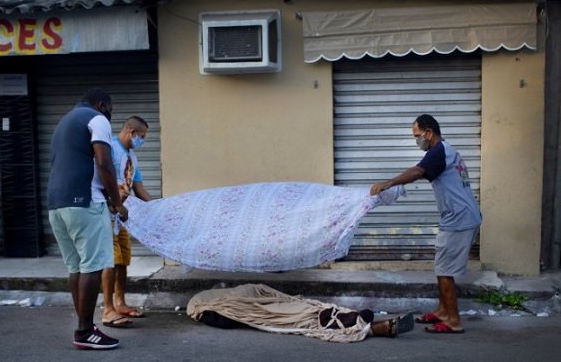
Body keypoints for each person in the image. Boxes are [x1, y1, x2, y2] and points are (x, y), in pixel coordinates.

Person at [370, 114, 481, 334]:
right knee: (441, 267)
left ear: (429, 133)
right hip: (459, 216)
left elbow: (418, 171)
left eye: (417, 136)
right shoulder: (446, 151)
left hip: (459, 219)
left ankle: (453, 321)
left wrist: (390, 183)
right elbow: (423, 173)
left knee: (444, 270)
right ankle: (442, 311)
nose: (417, 141)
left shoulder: (438, 151)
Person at [47, 88, 128, 350]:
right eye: (111, 109)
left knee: (77, 267)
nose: (111, 115)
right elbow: (104, 163)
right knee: (93, 266)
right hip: (84, 203)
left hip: (56, 205)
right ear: (101, 104)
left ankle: (85, 328)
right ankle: (84, 331)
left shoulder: (64, 122)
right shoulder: (97, 119)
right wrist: (116, 203)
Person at [187, 283, 415, 343]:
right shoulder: (206, 304)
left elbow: (264, 293)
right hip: (258, 308)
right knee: (306, 317)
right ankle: (375, 327)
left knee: (309, 310)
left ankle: (372, 325)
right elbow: (229, 318)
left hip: (267, 301)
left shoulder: (240, 291)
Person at [101, 116, 153, 328]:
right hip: (105, 212)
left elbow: (138, 189)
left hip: (121, 215)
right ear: (131, 132)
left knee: (122, 260)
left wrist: (160, 207)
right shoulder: (109, 149)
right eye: (141, 137)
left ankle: (120, 302)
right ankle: (107, 309)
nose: (142, 141)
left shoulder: (132, 157)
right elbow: (101, 174)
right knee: (110, 260)